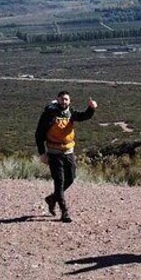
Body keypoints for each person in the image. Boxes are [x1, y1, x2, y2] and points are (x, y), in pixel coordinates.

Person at [35, 91, 97, 222]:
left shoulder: (71, 113)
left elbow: (84, 116)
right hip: (54, 153)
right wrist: (42, 153)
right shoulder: (49, 114)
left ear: (70, 101)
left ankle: (52, 198)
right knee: (59, 181)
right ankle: (64, 211)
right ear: (57, 99)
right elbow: (39, 134)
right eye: (62, 99)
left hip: (69, 152)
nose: (64, 102)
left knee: (71, 178)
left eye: (66, 100)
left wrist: (91, 108)